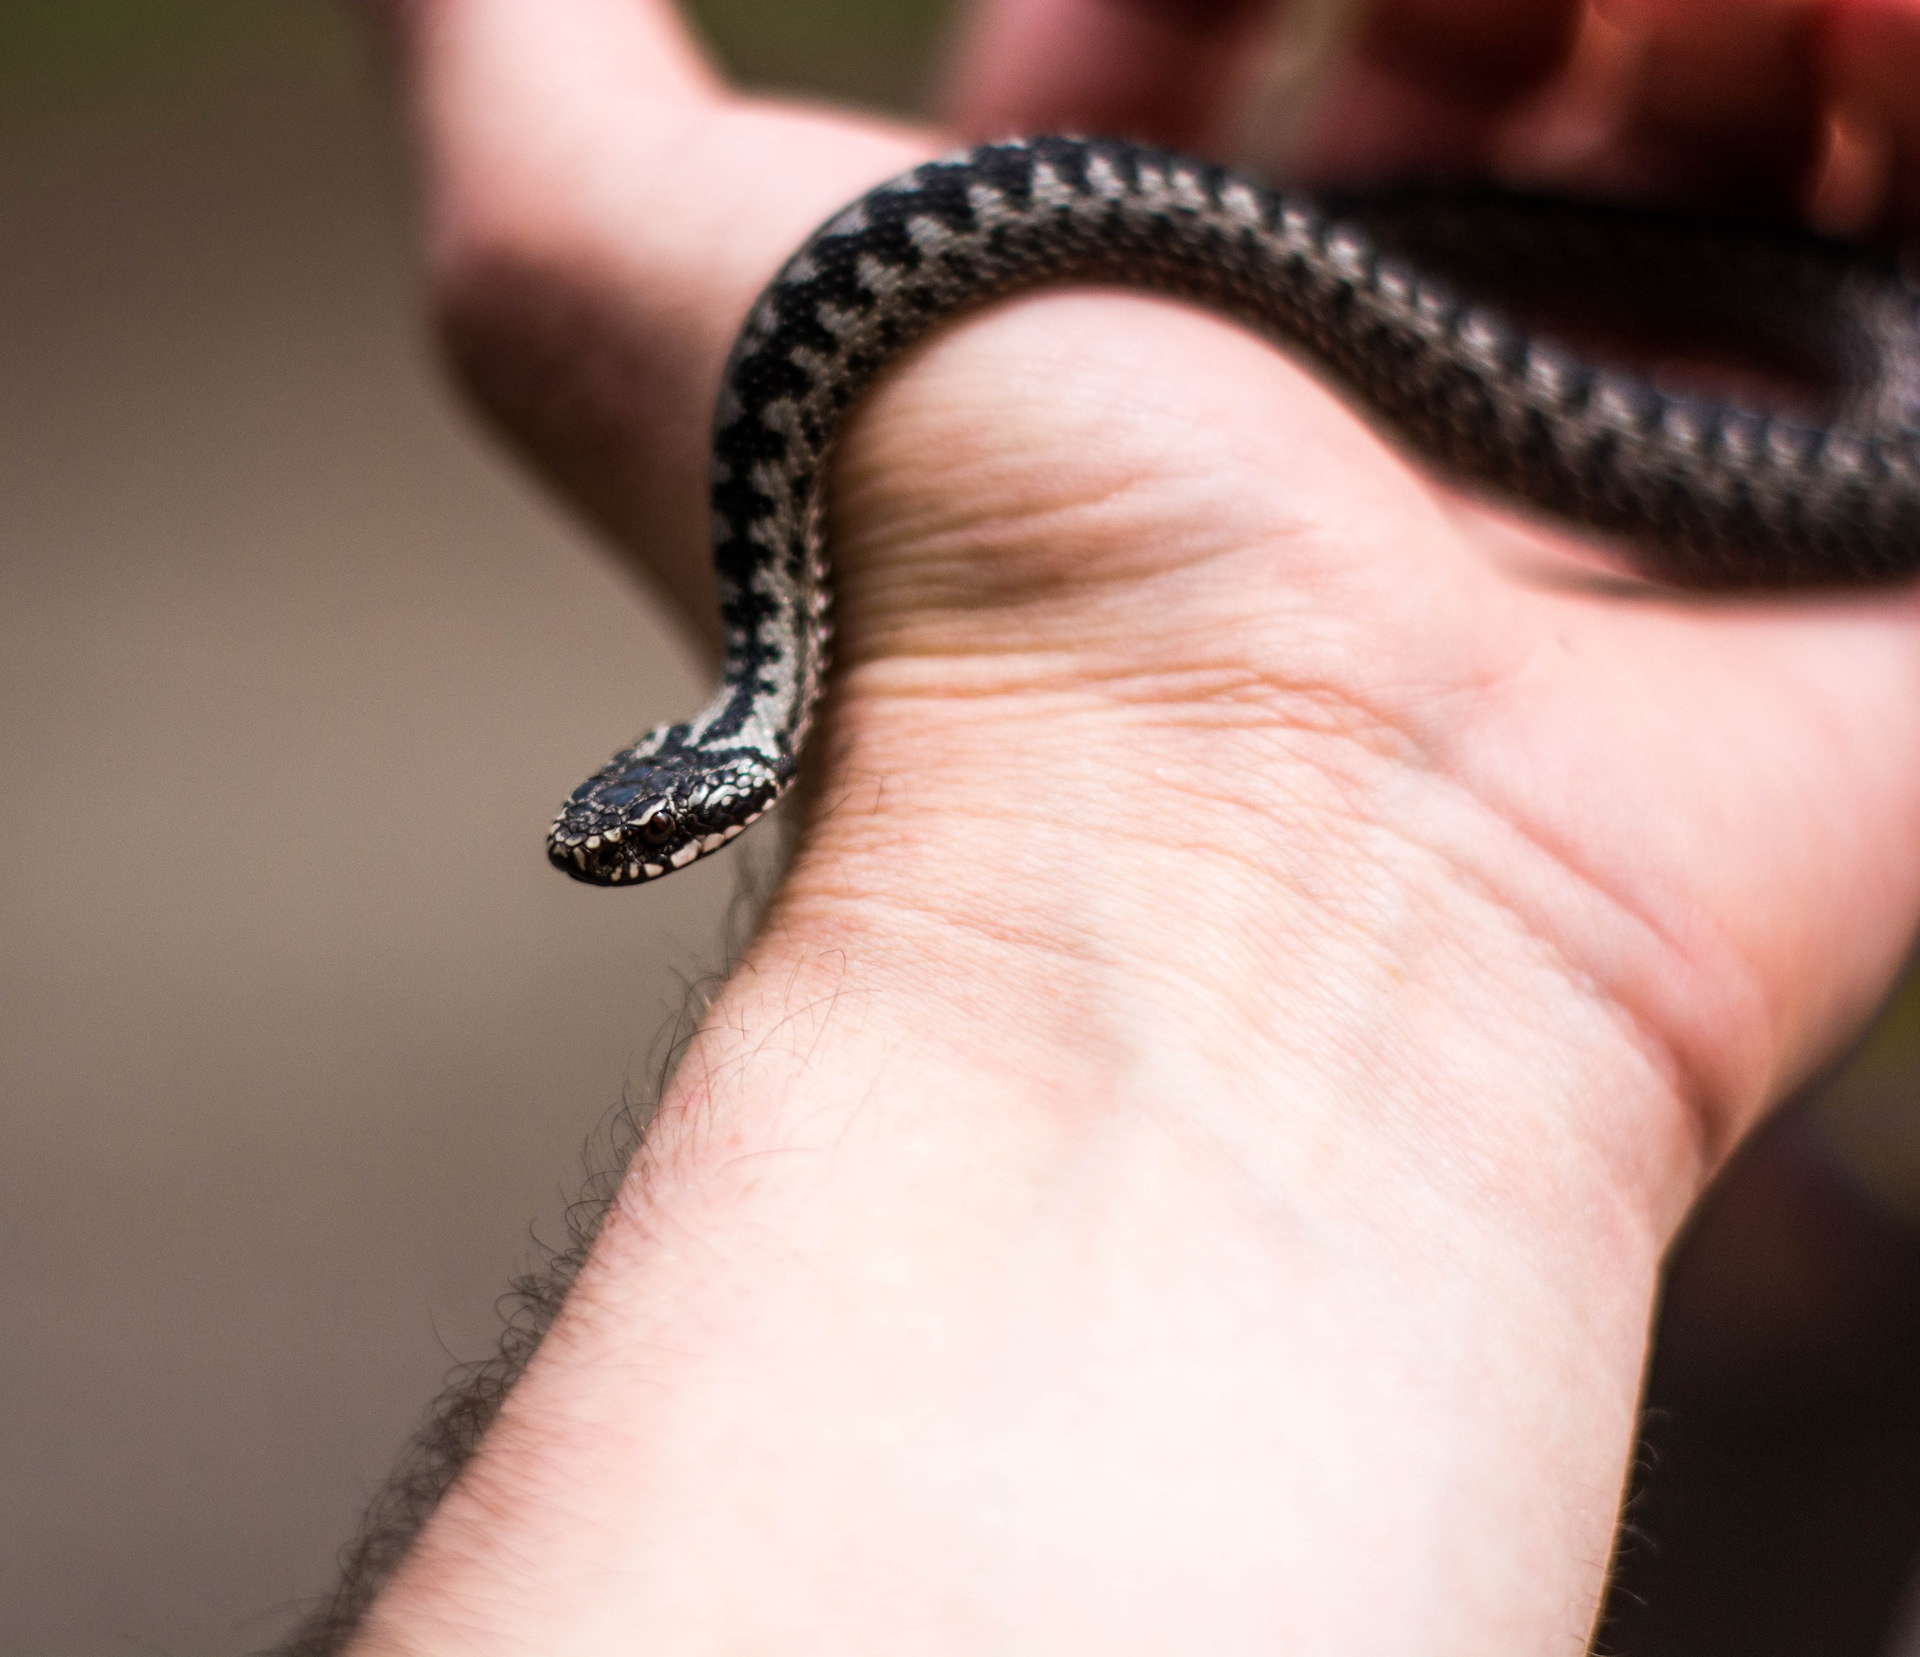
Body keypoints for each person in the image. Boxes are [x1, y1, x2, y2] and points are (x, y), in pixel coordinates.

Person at [335, 0, 1920, 1650]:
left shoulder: (789, 542)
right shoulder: (787, 524)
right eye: (636, 841)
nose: (627, 848)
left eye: (638, 836)